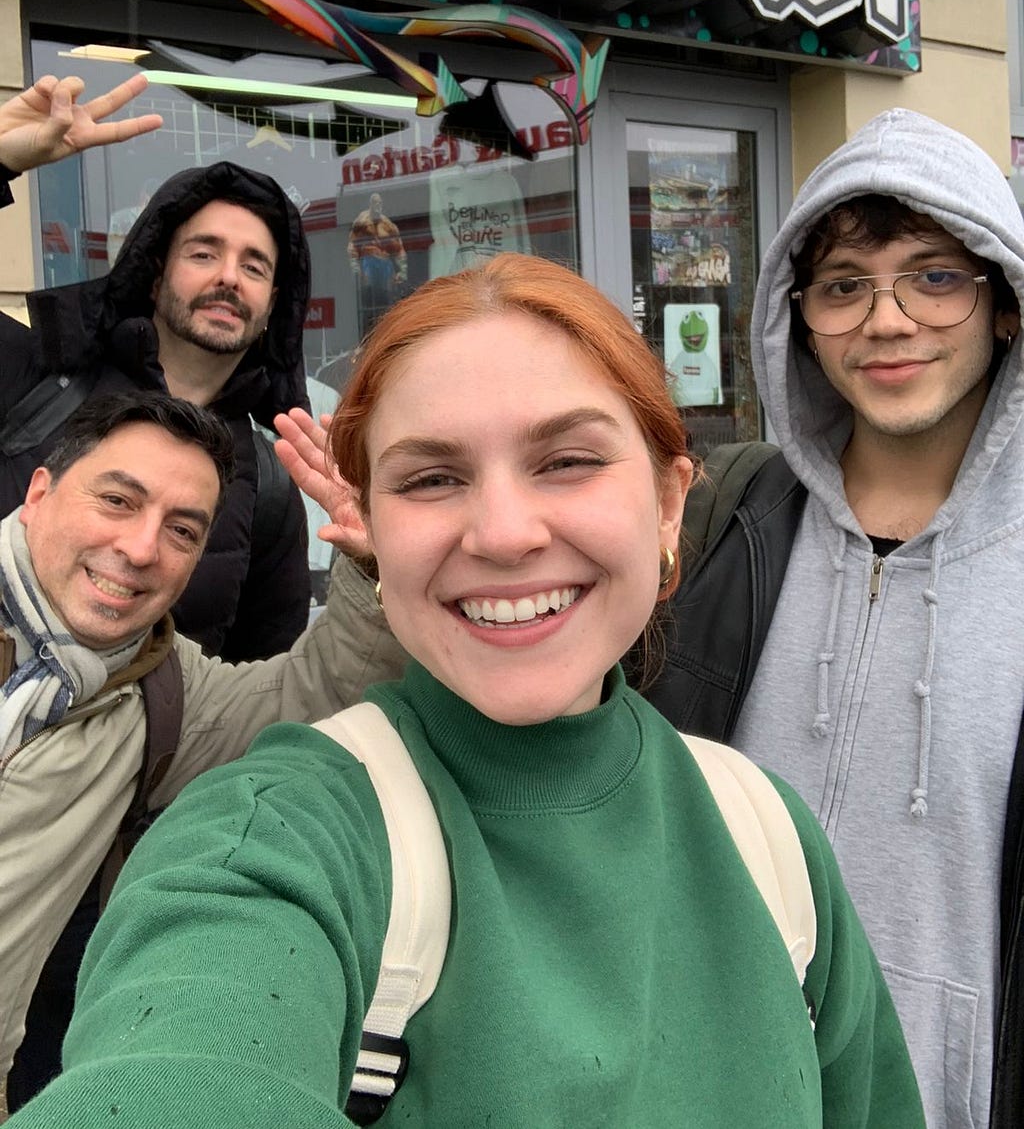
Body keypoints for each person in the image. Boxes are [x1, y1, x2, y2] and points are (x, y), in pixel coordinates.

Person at [10, 255, 924, 1127]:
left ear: (670, 504)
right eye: (433, 478)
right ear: (370, 527)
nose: (502, 532)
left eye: (567, 459)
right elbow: (180, 1065)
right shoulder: (270, 839)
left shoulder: (770, 839)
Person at [641, 110, 1024, 1129]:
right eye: (844, 285)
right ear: (795, 316)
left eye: (934, 277)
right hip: (720, 1087)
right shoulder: (731, 517)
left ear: (1005, 306)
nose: (885, 320)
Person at [0, 390, 390, 1104]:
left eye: (182, 531)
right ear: (38, 493)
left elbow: (319, 693)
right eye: (118, 501)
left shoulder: (161, 690)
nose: (142, 548)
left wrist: (373, 564)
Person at [0, 73, 312, 661]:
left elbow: (260, 686)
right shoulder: (33, 374)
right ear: (154, 271)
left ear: (273, 306)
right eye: (203, 253)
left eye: (254, 267)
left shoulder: (269, 486)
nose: (227, 277)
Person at [347, 190, 406, 334]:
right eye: (375, 203)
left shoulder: (388, 224)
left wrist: (402, 271)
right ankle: (369, 330)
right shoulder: (362, 221)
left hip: (385, 265)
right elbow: (352, 245)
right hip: (368, 262)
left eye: (379, 203)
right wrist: (355, 268)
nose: (377, 205)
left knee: (386, 303)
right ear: (370, 204)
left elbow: (399, 249)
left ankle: (386, 329)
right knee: (369, 302)